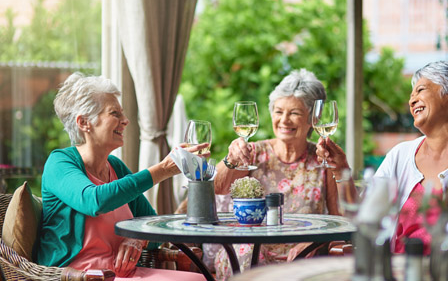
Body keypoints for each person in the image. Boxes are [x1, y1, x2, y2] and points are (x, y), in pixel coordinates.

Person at [317, 60, 448, 256]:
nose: (412, 100)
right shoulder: (400, 154)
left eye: (420, 90)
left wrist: (435, 261)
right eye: (411, 94)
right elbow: (364, 218)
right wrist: (341, 169)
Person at [35, 72, 207, 280]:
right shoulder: (60, 163)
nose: (125, 121)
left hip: (126, 273)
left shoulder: (115, 167)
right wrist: (163, 169)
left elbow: (153, 222)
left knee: (198, 278)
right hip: (82, 275)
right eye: (115, 113)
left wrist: (137, 239)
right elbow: (94, 201)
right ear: (84, 122)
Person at [212, 68, 341, 280]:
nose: (284, 120)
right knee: (245, 253)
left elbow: (339, 219)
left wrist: (312, 244)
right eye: (279, 111)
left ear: (312, 120)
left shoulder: (322, 160)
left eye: (295, 113)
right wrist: (230, 160)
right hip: (252, 250)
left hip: (304, 253)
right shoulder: (252, 153)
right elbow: (216, 188)